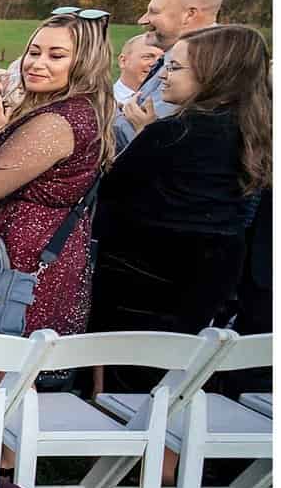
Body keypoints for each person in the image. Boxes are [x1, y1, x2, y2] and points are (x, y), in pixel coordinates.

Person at [0, 12, 113, 396]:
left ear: (84, 62)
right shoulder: (72, 112)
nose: (37, 63)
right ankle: (3, 454)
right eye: (34, 52)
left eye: (56, 56)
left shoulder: (60, 120)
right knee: (13, 380)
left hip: (17, 264)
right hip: (28, 256)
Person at [93, 24, 271, 391]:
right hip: (213, 278)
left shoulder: (175, 132)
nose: (162, 78)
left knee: (130, 382)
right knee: (177, 383)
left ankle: (132, 445)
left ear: (213, 73)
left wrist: (143, 140)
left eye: (174, 68)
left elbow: (111, 191)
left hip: (142, 275)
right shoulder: (254, 133)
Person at [118, 0, 225, 151]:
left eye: (154, 12)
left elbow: (147, 133)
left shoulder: (202, 64)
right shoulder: (181, 54)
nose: (143, 20)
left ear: (189, 15)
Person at [112, 31, 164, 106]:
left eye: (162, 59)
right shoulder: (100, 102)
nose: (156, 64)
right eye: (148, 57)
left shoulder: (169, 103)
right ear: (123, 61)